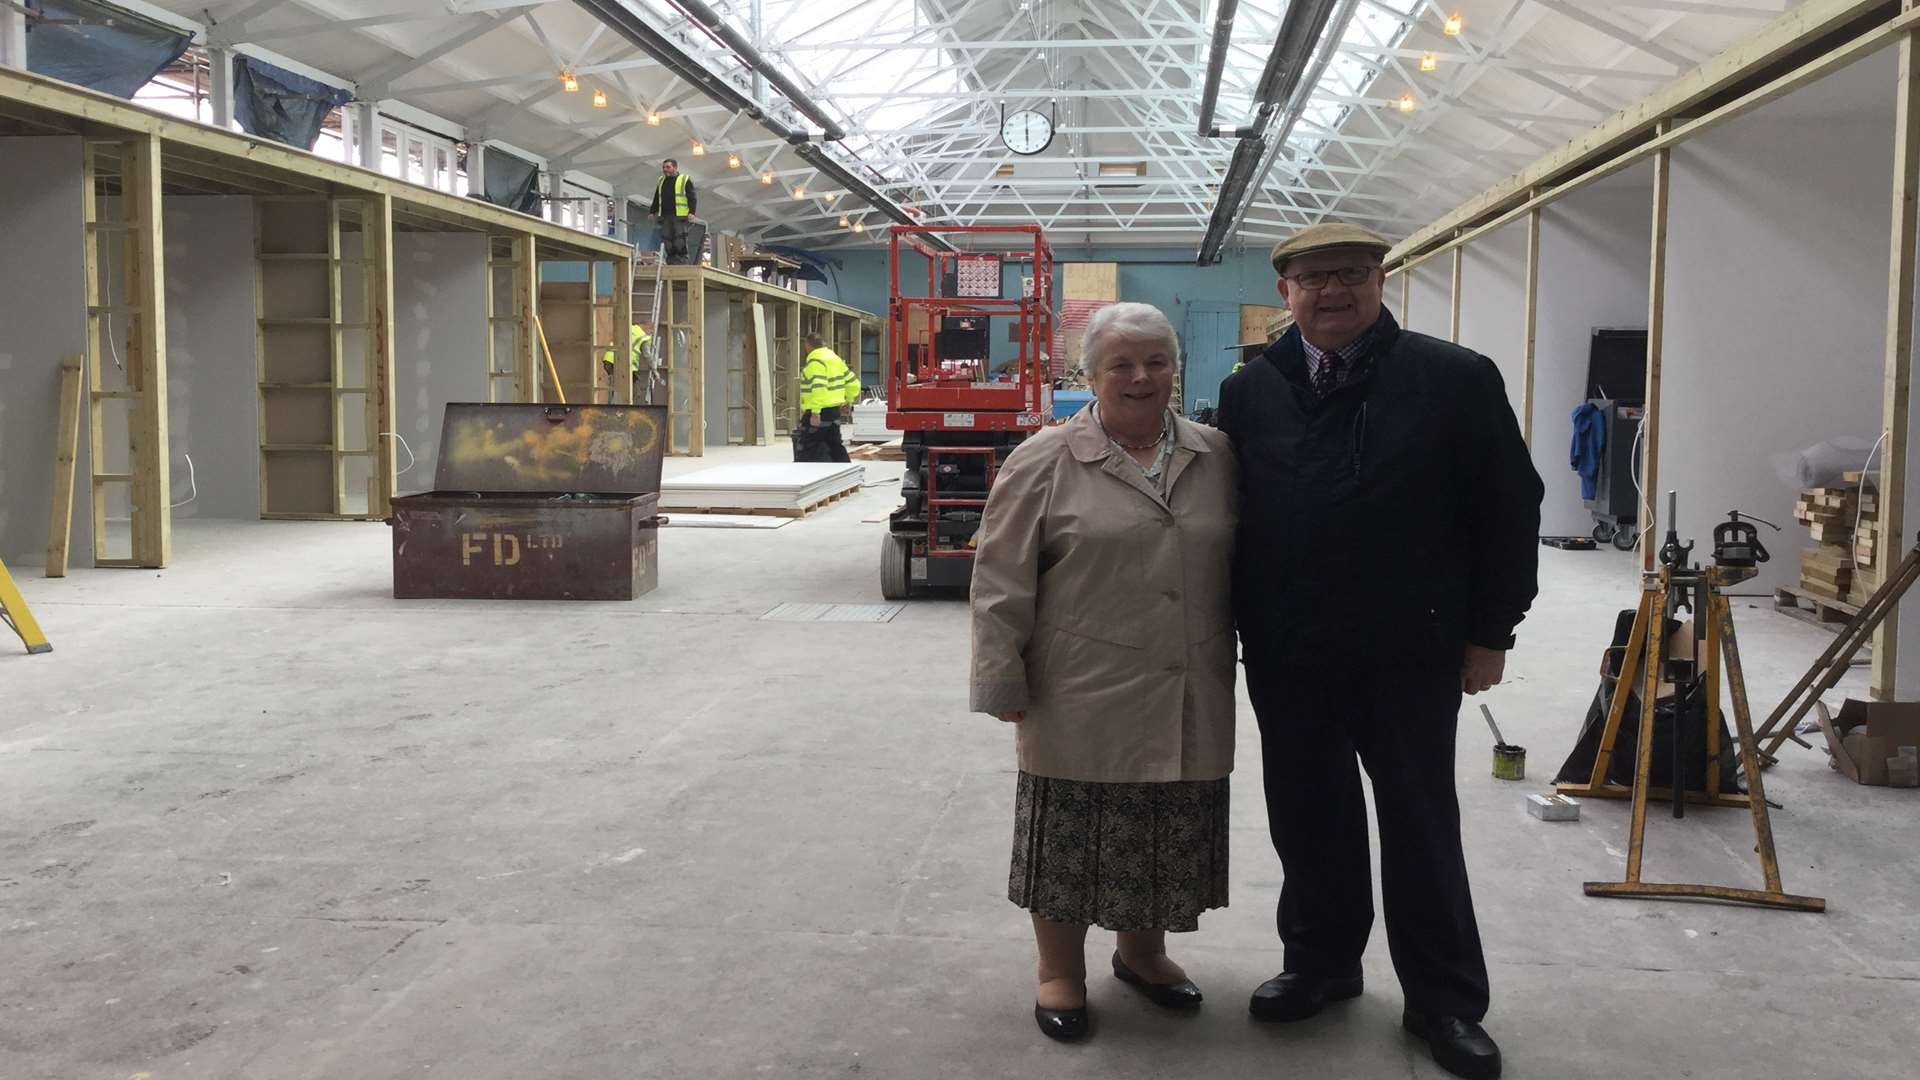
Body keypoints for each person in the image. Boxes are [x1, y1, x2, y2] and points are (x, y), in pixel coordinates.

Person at [1215, 223, 1542, 1080]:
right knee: (1308, 812)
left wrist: (1490, 631)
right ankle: (1322, 963)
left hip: (1412, 645)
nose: (1333, 292)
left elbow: (1509, 509)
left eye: (1352, 275)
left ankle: (1444, 1002)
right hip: (1290, 648)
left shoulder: (1453, 379)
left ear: (1380, 281)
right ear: (1284, 290)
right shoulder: (1253, 390)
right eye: (1314, 278)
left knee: (1419, 818)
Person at [970, 303, 1239, 1043]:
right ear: (1088, 374)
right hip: (1078, 684)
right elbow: (999, 579)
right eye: (1120, 362)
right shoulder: (1045, 458)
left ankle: (1143, 953)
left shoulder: (1217, 455)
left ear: (1175, 371)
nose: (1140, 376)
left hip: (1189, 674)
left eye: (1156, 360)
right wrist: (1001, 675)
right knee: (1068, 832)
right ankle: (1061, 970)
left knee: (1163, 827)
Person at [793, 332, 857, 463]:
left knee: (807, 446)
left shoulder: (815, 362)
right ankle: (846, 476)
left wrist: (816, 412)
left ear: (808, 346)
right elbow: (854, 383)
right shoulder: (837, 361)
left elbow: (818, 387)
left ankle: (805, 478)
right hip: (834, 412)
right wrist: (848, 400)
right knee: (835, 446)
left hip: (819, 411)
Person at [649, 159, 697, 265]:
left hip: (680, 215)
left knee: (679, 238)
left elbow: (692, 197)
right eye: (664, 167)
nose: (665, 169)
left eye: (668, 167)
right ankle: (671, 260)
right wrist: (652, 211)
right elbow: (657, 197)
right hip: (665, 215)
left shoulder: (684, 179)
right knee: (667, 238)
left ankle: (682, 260)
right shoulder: (661, 180)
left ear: (675, 168)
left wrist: (692, 212)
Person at [603, 323, 652, 401]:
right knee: (634, 389)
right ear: (647, 327)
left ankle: (614, 405)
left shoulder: (629, 327)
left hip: (609, 359)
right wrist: (655, 370)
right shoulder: (643, 337)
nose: (651, 334)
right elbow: (647, 355)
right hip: (622, 363)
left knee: (617, 386)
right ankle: (622, 408)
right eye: (651, 331)